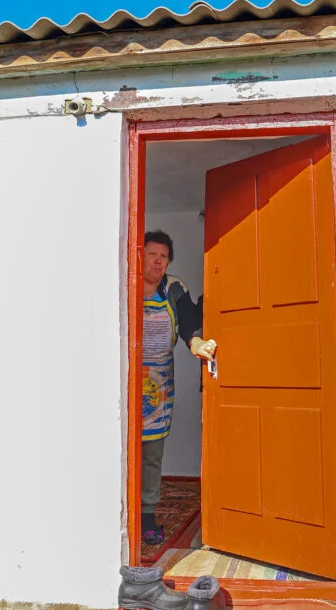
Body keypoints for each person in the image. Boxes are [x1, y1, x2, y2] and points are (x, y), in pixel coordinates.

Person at [141, 230, 217, 545]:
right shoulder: (124, 284)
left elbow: (188, 323)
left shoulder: (174, 289)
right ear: (139, 255)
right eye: (152, 255)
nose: (158, 262)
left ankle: (146, 515)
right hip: (125, 381)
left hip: (158, 386)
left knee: (151, 453)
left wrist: (197, 343)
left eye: (164, 257)